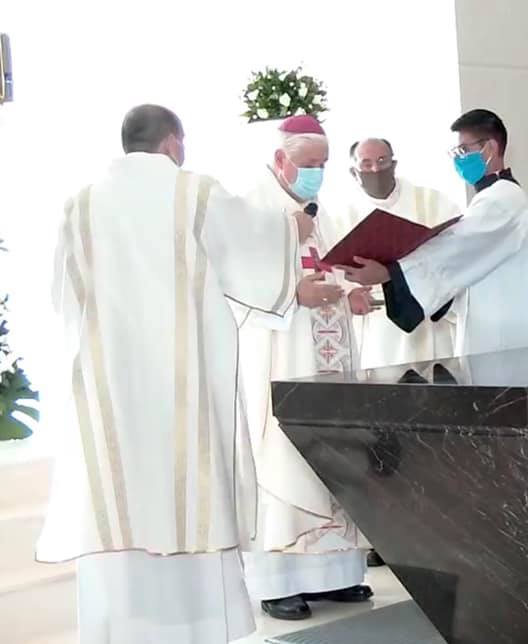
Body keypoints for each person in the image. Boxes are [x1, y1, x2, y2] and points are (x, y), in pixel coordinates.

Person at [36, 104, 312, 643]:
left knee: (121, 499)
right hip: (186, 388)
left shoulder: (80, 204)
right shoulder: (193, 193)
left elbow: (61, 298)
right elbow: (253, 252)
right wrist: (292, 228)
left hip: (111, 388)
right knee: (189, 494)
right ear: (172, 142)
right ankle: (199, 629)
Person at [236, 114, 376, 621]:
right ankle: (279, 582)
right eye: (310, 163)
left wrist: (352, 291)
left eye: (324, 163)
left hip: (329, 357)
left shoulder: (322, 211)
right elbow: (235, 282)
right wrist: (294, 294)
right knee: (284, 455)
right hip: (279, 357)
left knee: (337, 452)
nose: (319, 172)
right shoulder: (252, 209)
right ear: (281, 159)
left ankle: (335, 574)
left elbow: (335, 264)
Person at [339, 108, 528, 357]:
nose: (458, 159)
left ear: (490, 148)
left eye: (463, 150)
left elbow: (455, 248)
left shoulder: (502, 199)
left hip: (510, 337)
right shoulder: (493, 198)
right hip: (498, 332)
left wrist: (389, 273)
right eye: (455, 152)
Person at [342, 137, 460, 369]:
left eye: (382, 161)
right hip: (377, 324)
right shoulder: (344, 217)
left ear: (394, 164)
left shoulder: (432, 201)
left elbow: (456, 251)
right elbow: (336, 272)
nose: (375, 169)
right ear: (354, 171)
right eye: (366, 164)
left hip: (428, 317)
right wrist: (350, 294)